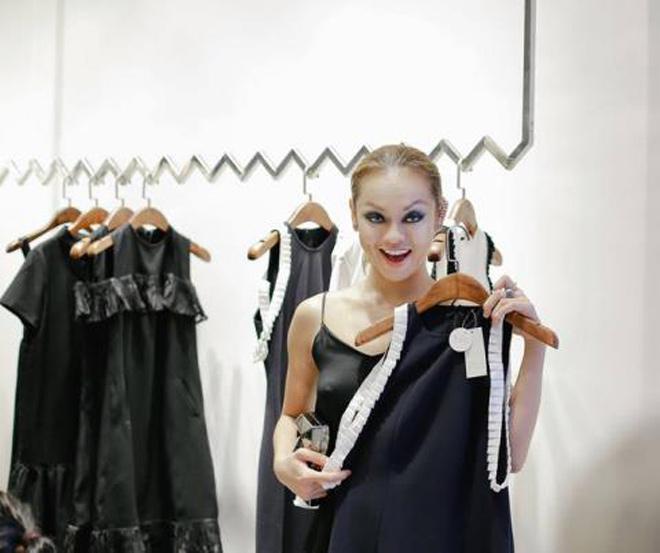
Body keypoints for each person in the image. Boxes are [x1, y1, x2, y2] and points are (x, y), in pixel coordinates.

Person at [272, 144, 546, 551]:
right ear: (353, 214)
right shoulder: (316, 316)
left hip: (441, 536)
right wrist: (283, 462)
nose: (394, 237)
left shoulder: (470, 324)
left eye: (413, 217)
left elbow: (512, 456)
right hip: (343, 530)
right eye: (375, 217)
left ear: (439, 214)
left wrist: (535, 346)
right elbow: (291, 415)